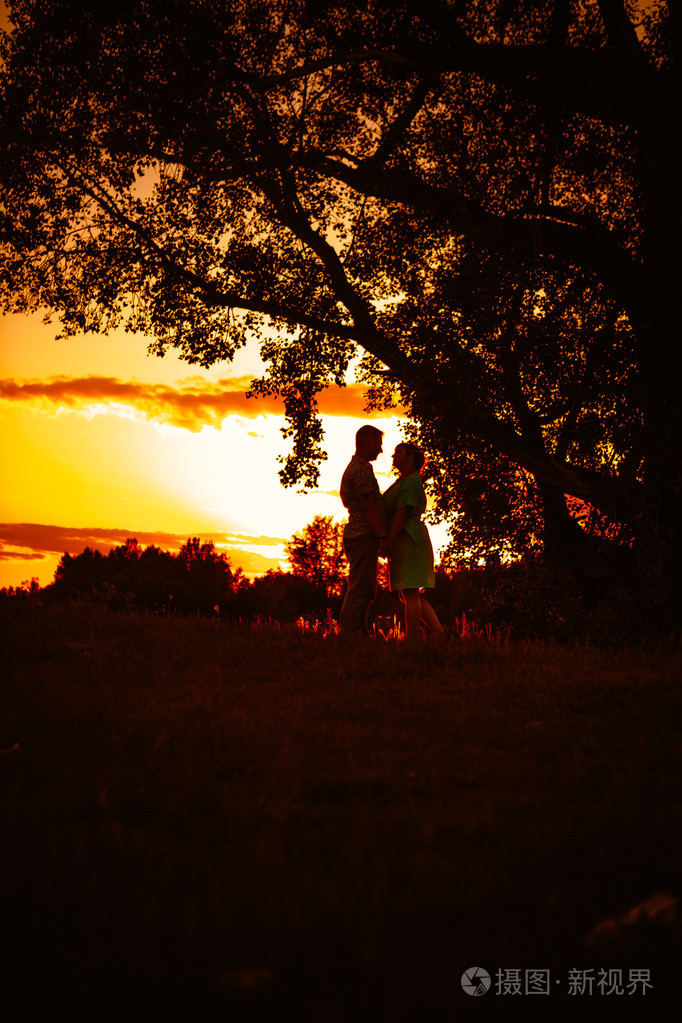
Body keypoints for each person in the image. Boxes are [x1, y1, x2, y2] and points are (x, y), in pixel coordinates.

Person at [380, 442, 444, 640]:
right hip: (403, 539)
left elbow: (402, 513)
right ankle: (439, 632)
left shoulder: (412, 481)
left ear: (411, 457)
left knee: (410, 593)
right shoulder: (403, 480)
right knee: (407, 592)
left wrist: (388, 539)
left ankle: (411, 639)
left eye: (398, 452)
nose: (393, 455)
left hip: (410, 538)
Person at [338, 424, 389, 635]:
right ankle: (350, 634)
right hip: (362, 535)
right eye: (379, 444)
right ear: (369, 442)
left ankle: (359, 632)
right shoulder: (360, 469)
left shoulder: (361, 467)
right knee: (359, 588)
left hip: (363, 536)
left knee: (366, 588)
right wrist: (384, 535)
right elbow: (368, 507)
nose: (381, 450)